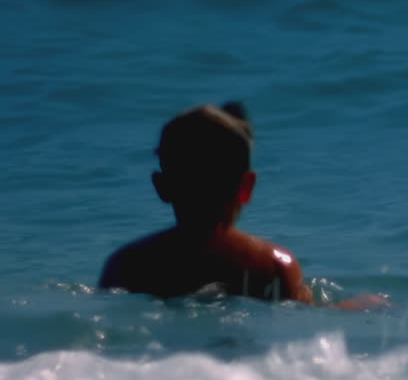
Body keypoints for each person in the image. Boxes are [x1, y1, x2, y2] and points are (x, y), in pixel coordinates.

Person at [101, 102, 347, 304]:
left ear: (161, 186)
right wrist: (354, 306)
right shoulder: (272, 265)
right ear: (246, 187)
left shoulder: (127, 265)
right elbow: (306, 315)